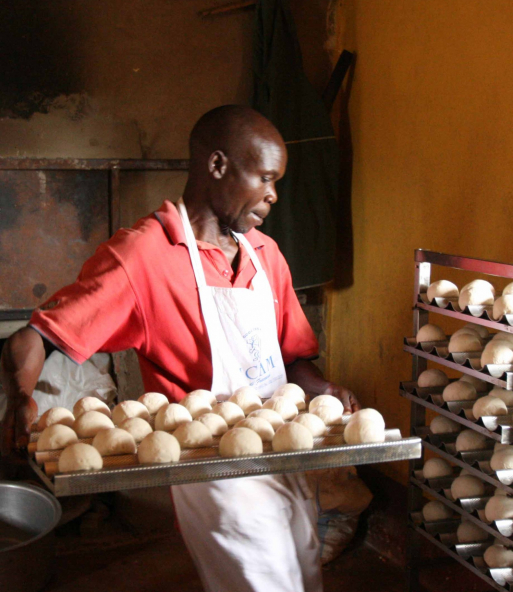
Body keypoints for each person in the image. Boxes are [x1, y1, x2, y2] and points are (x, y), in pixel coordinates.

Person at [1, 105, 360, 592]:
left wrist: (325, 389)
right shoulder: (144, 257)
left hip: (282, 455)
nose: (274, 195)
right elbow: (38, 335)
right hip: (213, 472)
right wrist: (21, 396)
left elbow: (292, 358)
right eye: (265, 178)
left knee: (301, 574)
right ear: (217, 166)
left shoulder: (266, 255)